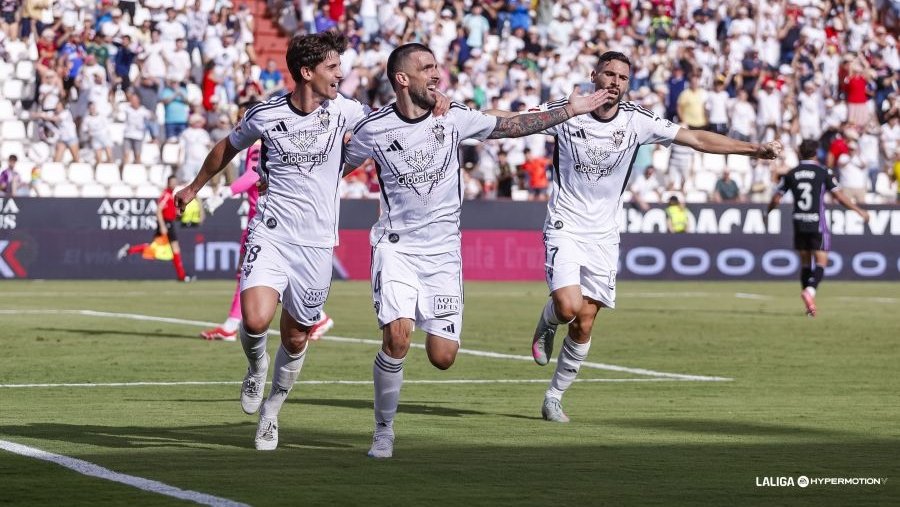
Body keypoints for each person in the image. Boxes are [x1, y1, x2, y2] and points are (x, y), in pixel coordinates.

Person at [173, 32, 447, 452]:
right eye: (333, 67)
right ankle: (256, 363)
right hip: (272, 231)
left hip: (318, 244)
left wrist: (435, 109)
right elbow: (227, 146)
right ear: (307, 72)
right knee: (254, 319)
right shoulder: (265, 115)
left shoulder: (347, 110)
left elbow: (392, 120)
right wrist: (194, 187)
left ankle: (271, 413)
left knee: (297, 336)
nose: (341, 74)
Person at [344, 42, 609, 459]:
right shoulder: (374, 128)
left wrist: (570, 111)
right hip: (395, 246)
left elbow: (515, 126)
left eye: (437, 66)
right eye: (427, 68)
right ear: (402, 79)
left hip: (444, 254)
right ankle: (383, 431)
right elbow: (337, 165)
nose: (436, 74)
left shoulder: (455, 117)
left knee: (443, 357)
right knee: (397, 337)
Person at [529, 51, 782, 423]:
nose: (615, 81)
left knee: (584, 322)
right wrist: (454, 114)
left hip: (605, 234)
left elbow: (694, 137)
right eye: (609, 74)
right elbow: (513, 120)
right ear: (594, 75)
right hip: (566, 223)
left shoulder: (637, 121)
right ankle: (549, 320)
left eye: (623, 77)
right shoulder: (567, 112)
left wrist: (752, 149)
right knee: (568, 307)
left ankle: (554, 397)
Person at [200, 102, 335, 343]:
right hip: (263, 216)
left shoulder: (261, 142)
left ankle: (317, 317)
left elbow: (253, 174)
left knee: (256, 274)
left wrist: (225, 193)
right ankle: (233, 323)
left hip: (265, 219)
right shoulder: (264, 141)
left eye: (242, 116)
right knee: (249, 273)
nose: (238, 122)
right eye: (238, 116)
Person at [766, 139, 869, 317]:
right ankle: (810, 292)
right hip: (817, 223)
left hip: (798, 222)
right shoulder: (823, 172)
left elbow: (776, 199)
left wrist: (767, 213)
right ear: (816, 153)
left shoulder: (792, 173)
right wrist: (859, 211)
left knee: (805, 263)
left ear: (800, 152)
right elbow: (839, 197)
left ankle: (809, 308)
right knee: (821, 262)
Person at [117, 175, 193, 283]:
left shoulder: (171, 195)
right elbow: (158, 210)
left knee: (156, 249)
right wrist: (162, 225)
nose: (174, 184)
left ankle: (130, 250)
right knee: (173, 249)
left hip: (169, 222)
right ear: (168, 183)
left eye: (175, 182)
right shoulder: (166, 195)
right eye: (172, 182)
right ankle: (182, 276)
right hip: (166, 224)